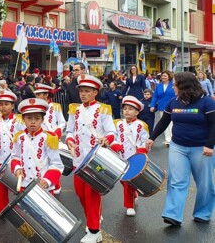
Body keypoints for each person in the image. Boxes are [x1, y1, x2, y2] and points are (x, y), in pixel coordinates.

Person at [146, 72, 215, 226]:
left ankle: (203, 213)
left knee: (204, 183)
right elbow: (164, 121)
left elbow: (213, 125)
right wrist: (152, 137)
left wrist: (210, 145)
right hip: (178, 147)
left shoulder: (207, 103)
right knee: (176, 181)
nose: (173, 87)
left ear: (184, 86)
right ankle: (173, 215)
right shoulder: (174, 102)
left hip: (202, 148)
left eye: (175, 84)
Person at [65, 74, 115, 243]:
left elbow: (111, 132)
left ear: (95, 92)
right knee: (80, 193)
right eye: (81, 91)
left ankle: (94, 230)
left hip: (96, 159)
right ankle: (93, 219)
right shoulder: (74, 109)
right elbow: (70, 131)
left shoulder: (104, 109)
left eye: (87, 91)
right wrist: (70, 140)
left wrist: (106, 139)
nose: (83, 94)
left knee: (92, 194)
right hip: (78, 158)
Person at [11, 98, 63, 194]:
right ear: (23, 119)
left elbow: (57, 164)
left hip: (43, 187)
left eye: (37, 118)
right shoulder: (19, 137)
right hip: (24, 185)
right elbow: (15, 157)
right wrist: (17, 168)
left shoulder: (49, 138)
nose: (33, 122)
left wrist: (47, 180)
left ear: (43, 119)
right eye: (29, 118)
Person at [0, 89, 25, 219]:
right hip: (1, 157)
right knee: (0, 185)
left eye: (6, 104)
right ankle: (1, 209)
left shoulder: (20, 120)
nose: (3, 107)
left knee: (19, 185)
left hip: (16, 158)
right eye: (1, 104)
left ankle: (23, 210)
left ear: (13, 105)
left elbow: (24, 138)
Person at [110, 96, 149, 217]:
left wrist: (142, 149)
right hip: (121, 156)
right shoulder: (117, 124)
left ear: (137, 112)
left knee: (128, 181)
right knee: (123, 180)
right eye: (125, 109)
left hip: (135, 157)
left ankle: (129, 205)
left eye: (130, 109)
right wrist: (115, 145)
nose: (127, 111)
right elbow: (113, 137)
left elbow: (146, 140)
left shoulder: (141, 125)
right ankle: (134, 193)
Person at [150, 71, 175, 146]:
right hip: (162, 107)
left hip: (173, 106)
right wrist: (152, 105)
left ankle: (173, 139)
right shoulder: (158, 86)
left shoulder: (173, 84)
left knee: (172, 123)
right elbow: (155, 96)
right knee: (165, 123)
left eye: (165, 76)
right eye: (162, 76)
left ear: (169, 77)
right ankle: (168, 139)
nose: (163, 77)